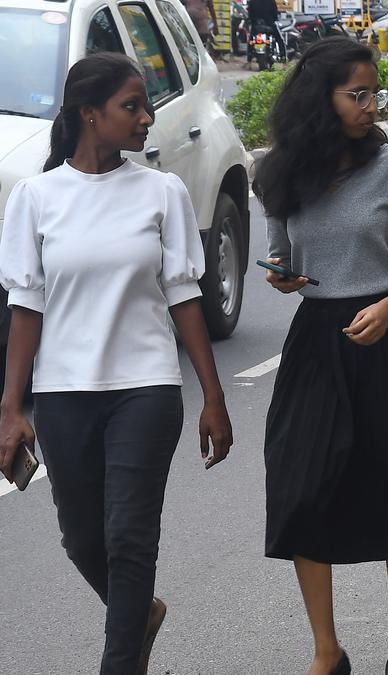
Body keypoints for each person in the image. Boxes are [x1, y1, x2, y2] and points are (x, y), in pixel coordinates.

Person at [0, 52, 233, 675]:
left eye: (145, 105)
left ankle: (119, 664)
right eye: (131, 106)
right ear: (89, 114)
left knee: (130, 538)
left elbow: (186, 297)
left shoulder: (162, 191)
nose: (146, 118)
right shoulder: (36, 197)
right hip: (63, 396)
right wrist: (10, 409)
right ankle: (141, 614)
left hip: (147, 389)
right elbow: (27, 307)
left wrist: (212, 395)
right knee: (83, 542)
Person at [253, 37, 388, 675]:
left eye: (373, 93)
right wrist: (280, 274)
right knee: (300, 488)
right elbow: (280, 258)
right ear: (320, 99)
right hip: (316, 342)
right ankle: (327, 651)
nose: (369, 105)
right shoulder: (280, 172)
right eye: (356, 94)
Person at [246, 0, 286, 64]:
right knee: (279, 39)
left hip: (256, 26)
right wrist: (274, 19)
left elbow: (250, 13)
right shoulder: (271, 1)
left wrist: (252, 21)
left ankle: (249, 57)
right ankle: (283, 56)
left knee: (251, 40)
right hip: (269, 25)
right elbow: (274, 12)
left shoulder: (252, 1)